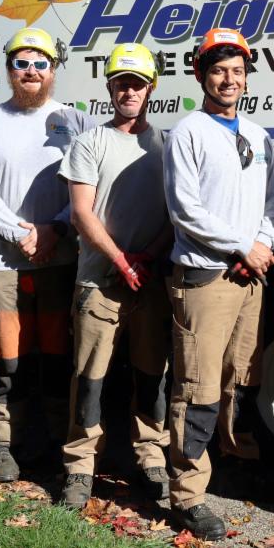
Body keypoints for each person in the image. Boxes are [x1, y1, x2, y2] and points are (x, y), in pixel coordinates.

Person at [162, 28, 274, 540]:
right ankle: (188, 494)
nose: (229, 79)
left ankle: (238, 464)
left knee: (243, 379)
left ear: (247, 77)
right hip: (204, 276)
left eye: (237, 70)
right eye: (218, 70)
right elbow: (184, 209)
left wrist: (260, 244)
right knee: (197, 386)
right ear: (201, 76)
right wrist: (241, 246)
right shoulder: (187, 132)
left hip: (247, 275)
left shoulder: (258, 136)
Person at [0, 27, 95, 482]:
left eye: (41, 63)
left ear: (54, 70)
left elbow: (89, 187)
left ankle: (58, 440)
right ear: (9, 69)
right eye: (22, 63)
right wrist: (21, 235)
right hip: (2, 265)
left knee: (58, 358)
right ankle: (4, 445)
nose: (31, 71)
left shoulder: (77, 122)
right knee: (9, 361)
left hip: (60, 260)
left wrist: (56, 228)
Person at [57, 43, 173, 508]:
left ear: (151, 89)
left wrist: (147, 257)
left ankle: (151, 456)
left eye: (138, 84)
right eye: (122, 83)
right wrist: (121, 260)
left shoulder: (166, 145)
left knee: (152, 375)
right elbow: (81, 213)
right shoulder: (90, 143)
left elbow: (177, 212)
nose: (130, 92)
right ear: (109, 88)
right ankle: (80, 465)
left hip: (149, 279)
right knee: (89, 378)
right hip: (100, 282)